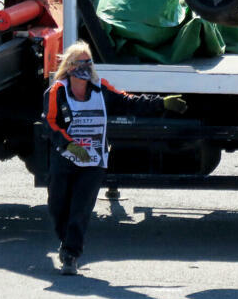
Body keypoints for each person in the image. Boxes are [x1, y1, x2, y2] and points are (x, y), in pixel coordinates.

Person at [42, 41, 187, 275]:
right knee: (57, 206)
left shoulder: (101, 89)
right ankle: (65, 240)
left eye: (89, 62)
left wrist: (161, 102)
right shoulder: (57, 92)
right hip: (65, 159)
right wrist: (69, 144)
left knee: (81, 208)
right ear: (69, 67)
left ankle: (70, 254)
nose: (86, 67)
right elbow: (49, 123)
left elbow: (128, 101)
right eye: (81, 63)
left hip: (94, 161)